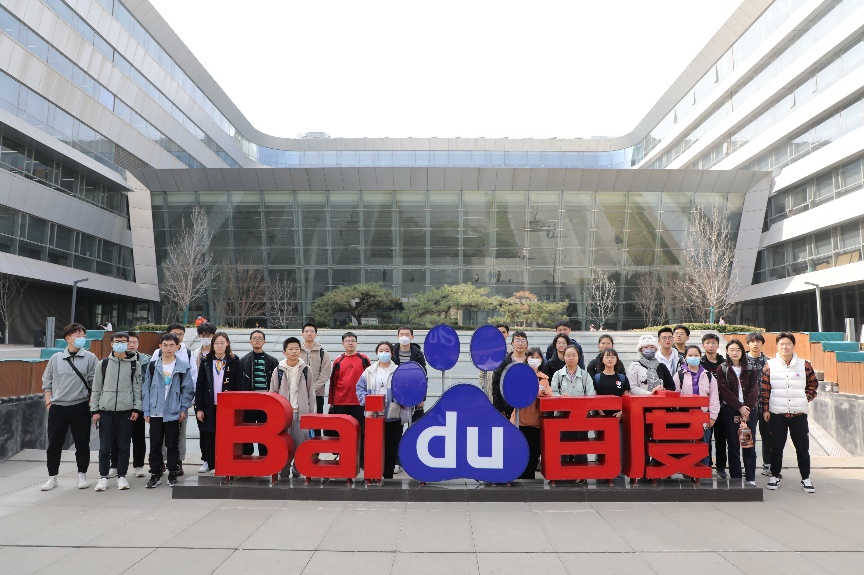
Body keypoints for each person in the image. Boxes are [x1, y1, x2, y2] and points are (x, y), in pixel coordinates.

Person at [41, 323, 97, 491]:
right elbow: (47, 382)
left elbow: (95, 383)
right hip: (58, 407)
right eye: (78, 335)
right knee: (54, 443)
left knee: (82, 443)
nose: (82, 339)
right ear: (68, 338)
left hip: (80, 406)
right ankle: (52, 477)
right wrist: (49, 402)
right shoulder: (56, 358)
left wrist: (91, 405)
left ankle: (82, 475)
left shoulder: (90, 358)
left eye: (84, 336)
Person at [762, 332, 818, 493]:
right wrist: (766, 409)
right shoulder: (770, 365)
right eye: (782, 344)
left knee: (802, 448)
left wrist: (805, 398)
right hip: (777, 413)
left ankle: (806, 478)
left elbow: (813, 384)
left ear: (793, 346)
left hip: (798, 414)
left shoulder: (804, 364)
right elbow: (765, 389)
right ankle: (774, 476)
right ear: (777, 346)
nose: (785, 347)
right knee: (776, 447)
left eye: (788, 344)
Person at [90, 332, 142, 491]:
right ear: (112, 343)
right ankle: (103, 477)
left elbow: (137, 389)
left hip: (126, 411)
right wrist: (94, 410)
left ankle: (122, 476)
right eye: (117, 341)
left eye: (123, 341)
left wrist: (136, 408)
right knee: (104, 447)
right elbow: (96, 388)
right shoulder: (103, 364)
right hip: (105, 411)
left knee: (124, 446)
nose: (120, 344)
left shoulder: (134, 365)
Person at [143, 333, 194, 488]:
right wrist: (146, 410)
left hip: (173, 411)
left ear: (177, 347)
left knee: (172, 444)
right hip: (155, 411)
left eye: (172, 345)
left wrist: (183, 408)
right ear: (160, 346)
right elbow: (146, 389)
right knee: (155, 444)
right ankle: (155, 473)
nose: (168, 348)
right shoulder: (153, 366)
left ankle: (172, 472)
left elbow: (188, 390)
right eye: (165, 345)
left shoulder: (183, 366)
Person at [356, 342, 409, 479]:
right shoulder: (369, 371)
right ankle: (374, 474)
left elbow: (405, 389)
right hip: (373, 415)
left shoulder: (399, 371)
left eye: (387, 350)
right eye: (381, 350)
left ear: (392, 353)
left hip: (392, 415)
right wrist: (366, 400)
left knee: (391, 447)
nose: (383, 353)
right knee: (374, 446)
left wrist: (397, 401)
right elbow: (359, 388)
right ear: (377, 353)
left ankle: (388, 475)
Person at [152, 323, 196, 475]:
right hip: (159, 404)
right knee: (159, 437)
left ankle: (178, 461)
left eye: (180, 334)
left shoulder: (188, 354)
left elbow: (192, 378)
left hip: (178, 403)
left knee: (178, 435)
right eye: (175, 333)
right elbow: (151, 378)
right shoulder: (157, 353)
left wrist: (186, 403)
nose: (178, 336)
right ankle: (161, 462)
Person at [195, 332, 241, 476]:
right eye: (216, 343)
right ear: (212, 345)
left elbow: (239, 385)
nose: (219, 345)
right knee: (209, 435)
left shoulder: (234, 361)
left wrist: (236, 407)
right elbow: (200, 385)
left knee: (226, 436)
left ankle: (226, 463)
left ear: (227, 344)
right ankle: (212, 464)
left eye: (222, 342)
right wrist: (199, 408)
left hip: (227, 407)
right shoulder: (206, 361)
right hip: (209, 405)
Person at [270, 337, 315, 478]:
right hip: (284, 415)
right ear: (284, 352)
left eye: (297, 349)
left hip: (301, 414)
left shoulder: (306, 370)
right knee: (284, 445)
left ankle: (297, 470)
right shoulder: (278, 370)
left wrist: (311, 414)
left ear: (300, 351)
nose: (294, 351)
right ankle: (283, 471)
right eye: (291, 349)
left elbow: (311, 393)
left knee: (301, 445)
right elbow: (273, 393)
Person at [716, 339, 758, 485]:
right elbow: (724, 391)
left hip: (749, 412)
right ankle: (736, 477)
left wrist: (746, 409)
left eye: (738, 350)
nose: (735, 352)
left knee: (748, 444)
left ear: (742, 352)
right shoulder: (722, 369)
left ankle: (751, 477)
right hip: (730, 410)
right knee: (733, 445)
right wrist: (739, 407)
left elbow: (754, 390)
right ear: (727, 352)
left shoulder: (750, 369)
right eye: (732, 350)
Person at [549, 344, 595, 475]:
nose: (571, 358)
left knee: (581, 446)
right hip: (562, 416)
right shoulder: (558, 375)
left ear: (578, 357)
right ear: (563, 357)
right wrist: (560, 397)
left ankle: (581, 475)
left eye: (574, 355)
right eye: (568, 355)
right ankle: (563, 474)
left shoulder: (585, 375)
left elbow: (590, 395)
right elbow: (553, 393)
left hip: (581, 417)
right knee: (563, 445)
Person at [677, 345, 720, 483]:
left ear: (700, 357)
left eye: (696, 355)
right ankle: (687, 471)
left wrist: (712, 416)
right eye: (690, 355)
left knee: (704, 445)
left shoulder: (708, 375)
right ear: (685, 357)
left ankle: (703, 472)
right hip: (685, 418)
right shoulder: (679, 375)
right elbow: (674, 395)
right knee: (686, 445)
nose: (693, 358)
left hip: (703, 417)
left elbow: (714, 397)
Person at [328, 332, 371, 464]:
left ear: (356, 343)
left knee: (362, 431)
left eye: (353, 340)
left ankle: (362, 459)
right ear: (343, 344)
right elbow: (333, 382)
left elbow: (370, 379)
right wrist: (331, 402)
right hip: (341, 402)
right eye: (347, 341)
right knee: (342, 432)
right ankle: (344, 458)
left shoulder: (364, 359)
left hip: (359, 402)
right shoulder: (338, 360)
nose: (350, 343)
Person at [511, 347, 552, 479]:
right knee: (520, 452)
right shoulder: (520, 375)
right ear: (526, 359)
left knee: (534, 452)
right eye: (532, 357)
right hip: (520, 421)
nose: (535, 360)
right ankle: (518, 476)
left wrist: (544, 393)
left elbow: (550, 397)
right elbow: (515, 394)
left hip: (536, 423)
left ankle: (530, 478)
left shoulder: (544, 379)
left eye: (538, 357)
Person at [239, 329, 279, 458]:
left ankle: (265, 456)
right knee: (248, 430)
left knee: (265, 430)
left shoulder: (272, 361)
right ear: (250, 341)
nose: (257, 340)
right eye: (254, 338)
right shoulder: (243, 361)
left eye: (260, 338)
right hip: (249, 402)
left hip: (266, 402)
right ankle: (247, 456)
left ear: (264, 342)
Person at [592, 348, 630, 484]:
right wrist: (602, 414)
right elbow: (595, 398)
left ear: (616, 360)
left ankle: (618, 475)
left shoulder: (622, 378)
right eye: (607, 356)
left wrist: (621, 413)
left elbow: (626, 398)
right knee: (601, 447)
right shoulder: (597, 378)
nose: (610, 359)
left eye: (613, 356)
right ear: (602, 359)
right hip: (602, 420)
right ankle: (602, 474)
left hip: (618, 419)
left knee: (619, 447)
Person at [190, 322, 216, 472]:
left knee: (216, 431)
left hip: (215, 397)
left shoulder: (218, 352)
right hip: (201, 396)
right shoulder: (195, 354)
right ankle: (205, 459)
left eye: (208, 335)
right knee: (203, 431)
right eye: (202, 335)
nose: (205, 338)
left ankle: (215, 459)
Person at [701, 333, 727, 478]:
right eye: (708, 343)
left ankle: (721, 467)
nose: (710, 346)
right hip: (706, 406)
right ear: (703, 345)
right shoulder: (700, 364)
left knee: (721, 438)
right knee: (706, 438)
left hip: (723, 406)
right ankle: (707, 465)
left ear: (718, 345)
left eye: (713, 343)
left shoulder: (725, 363)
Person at [746, 332, 771, 477]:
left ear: (762, 343)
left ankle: (768, 465)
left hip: (765, 406)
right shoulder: (742, 362)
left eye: (758, 341)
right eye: (752, 341)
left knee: (768, 436)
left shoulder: (769, 362)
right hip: (748, 407)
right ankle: (748, 467)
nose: (755, 344)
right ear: (748, 343)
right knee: (748, 437)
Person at [300, 322, 332, 437]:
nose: (309, 333)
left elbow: (325, 374)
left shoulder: (323, 353)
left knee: (316, 422)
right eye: (306, 331)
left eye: (312, 331)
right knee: (300, 423)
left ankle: (316, 447)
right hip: (299, 395)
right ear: (302, 334)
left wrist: (312, 389)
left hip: (317, 394)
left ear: (316, 334)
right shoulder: (297, 351)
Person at [125, 331, 149, 478]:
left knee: (138, 437)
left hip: (139, 403)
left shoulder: (146, 360)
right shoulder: (114, 359)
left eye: (134, 342)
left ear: (138, 344)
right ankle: (115, 465)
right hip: (121, 404)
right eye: (128, 342)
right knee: (119, 437)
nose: (131, 345)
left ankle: (139, 466)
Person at [393, 326, 427, 422]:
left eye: (407, 334)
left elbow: (423, 376)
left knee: (415, 423)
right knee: (396, 423)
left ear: (412, 336)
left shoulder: (418, 354)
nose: (404, 337)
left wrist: (422, 397)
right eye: (402, 334)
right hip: (396, 392)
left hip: (414, 391)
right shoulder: (392, 353)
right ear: (398, 336)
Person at [491, 331, 529, 418]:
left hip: (527, 408)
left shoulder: (530, 361)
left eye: (523, 341)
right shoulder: (504, 361)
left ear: (527, 344)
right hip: (507, 406)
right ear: (512, 343)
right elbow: (496, 384)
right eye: (517, 340)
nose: (520, 343)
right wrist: (499, 408)